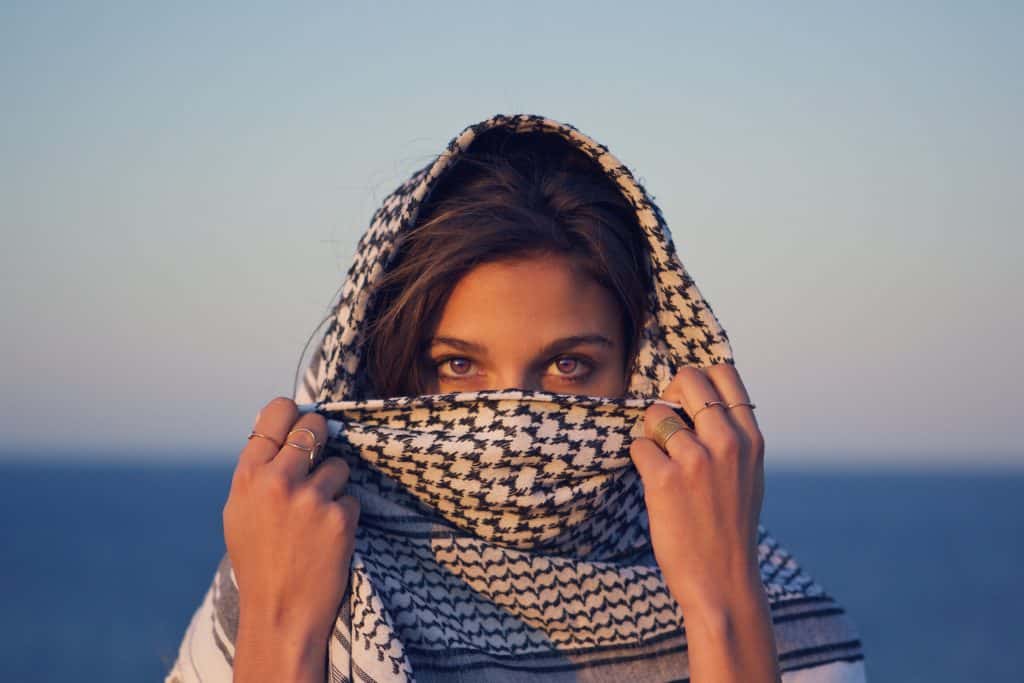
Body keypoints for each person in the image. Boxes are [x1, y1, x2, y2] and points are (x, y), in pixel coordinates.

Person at [166, 115, 867, 682]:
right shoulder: (289, 574)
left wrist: (721, 605)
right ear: (392, 369)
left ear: (643, 370)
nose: (513, 423)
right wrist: (284, 632)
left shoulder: (774, 610)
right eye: (458, 364)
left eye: (568, 364)